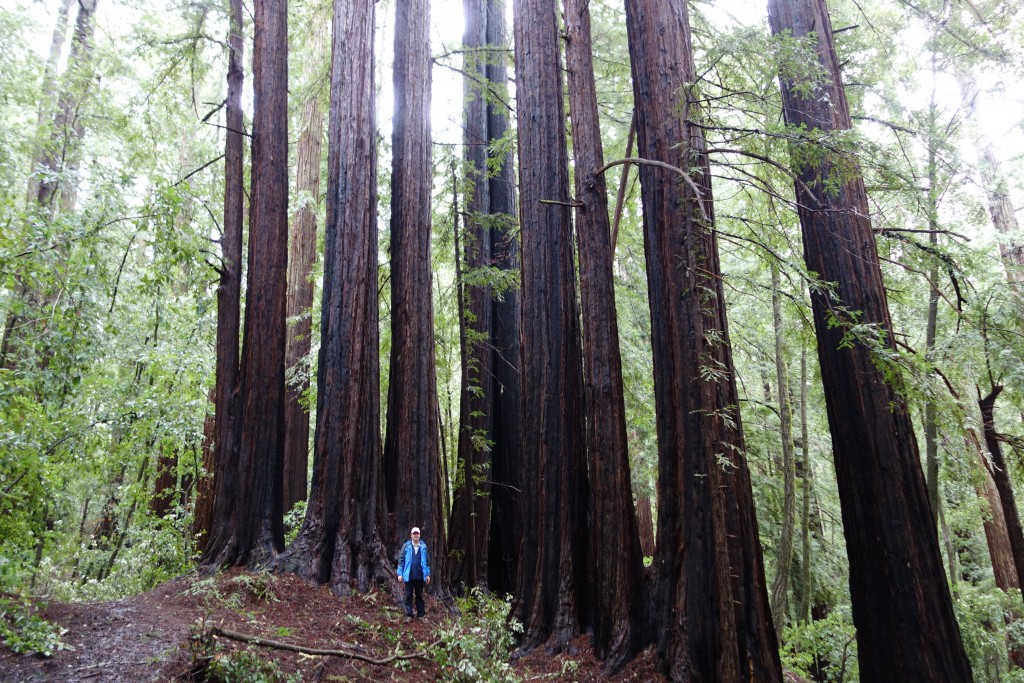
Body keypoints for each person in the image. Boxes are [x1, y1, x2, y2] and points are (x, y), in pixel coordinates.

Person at [396, 526, 430, 621]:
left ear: (419, 535)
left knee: (419, 595)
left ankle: (421, 615)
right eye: (414, 533)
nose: (415, 535)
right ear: (411, 535)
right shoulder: (406, 546)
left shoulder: (423, 547)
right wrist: (399, 574)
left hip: (420, 575)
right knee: (408, 595)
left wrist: (427, 574)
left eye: (417, 533)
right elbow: (401, 560)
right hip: (409, 575)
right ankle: (409, 615)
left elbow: (427, 562)